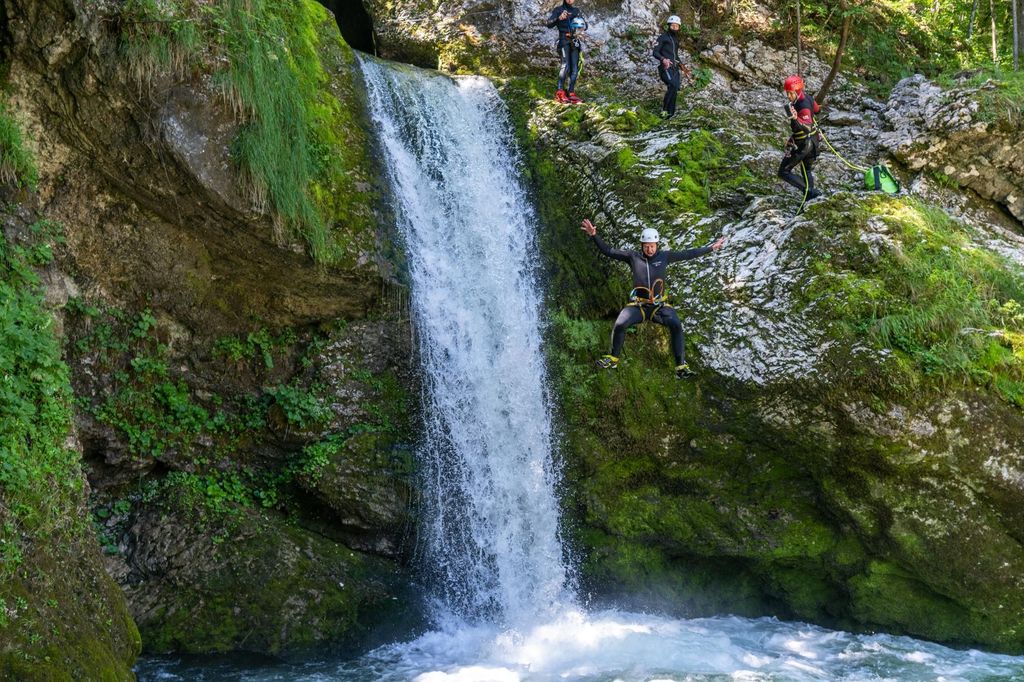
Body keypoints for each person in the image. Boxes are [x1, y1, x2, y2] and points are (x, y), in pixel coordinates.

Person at [580, 218, 724, 378]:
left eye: (652, 246)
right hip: (638, 306)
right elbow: (609, 251)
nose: (649, 249)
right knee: (620, 324)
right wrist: (594, 235)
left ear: (657, 245)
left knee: (676, 324)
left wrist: (711, 248)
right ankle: (613, 358)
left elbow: (688, 254)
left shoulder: (664, 257)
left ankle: (681, 367)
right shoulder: (633, 257)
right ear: (642, 246)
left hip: (659, 307)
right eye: (646, 246)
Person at [778, 74, 823, 207]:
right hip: (813, 142)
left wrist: (794, 118)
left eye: (790, 93)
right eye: (787, 93)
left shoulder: (802, 105)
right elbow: (817, 109)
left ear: (797, 91)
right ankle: (811, 201)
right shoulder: (807, 97)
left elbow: (806, 127)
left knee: (783, 171)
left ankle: (811, 192)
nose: (788, 96)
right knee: (806, 170)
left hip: (804, 143)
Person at [546, 0, 586, 103]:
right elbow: (549, 24)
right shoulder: (558, 10)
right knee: (566, 65)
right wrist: (559, 18)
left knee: (575, 69)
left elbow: (585, 26)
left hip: (575, 42)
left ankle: (571, 93)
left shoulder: (577, 11)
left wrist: (581, 24)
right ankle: (560, 92)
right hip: (564, 41)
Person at [652, 15, 691, 119]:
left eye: (676, 26)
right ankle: (664, 111)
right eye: (672, 26)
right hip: (666, 68)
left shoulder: (676, 40)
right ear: (668, 26)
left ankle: (671, 113)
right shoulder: (662, 37)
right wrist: (663, 59)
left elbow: (676, 56)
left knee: (675, 88)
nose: (674, 28)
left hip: (675, 69)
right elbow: (655, 52)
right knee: (673, 86)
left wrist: (683, 67)